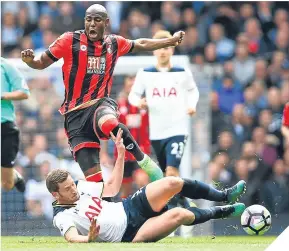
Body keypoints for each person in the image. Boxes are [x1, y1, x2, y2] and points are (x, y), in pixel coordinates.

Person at [21, 4, 186, 184]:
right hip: (75, 117)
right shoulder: (69, 40)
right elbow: (40, 63)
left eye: (97, 20)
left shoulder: (114, 43)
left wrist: (169, 42)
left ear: (106, 23)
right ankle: (106, 206)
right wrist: (30, 61)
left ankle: (145, 162)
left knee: (109, 121)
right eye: (88, 20)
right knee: (95, 184)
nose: (92, 24)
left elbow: (141, 43)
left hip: (100, 104)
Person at [47, 130, 246, 243]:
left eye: (72, 184)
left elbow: (113, 188)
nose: (73, 189)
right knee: (180, 214)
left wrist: (121, 153)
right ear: (56, 194)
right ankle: (222, 211)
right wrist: (88, 239)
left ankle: (224, 195)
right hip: (129, 234)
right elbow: (71, 237)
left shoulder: (80, 187)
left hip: (129, 206)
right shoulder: (62, 216)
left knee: (173, 182)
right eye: (67, 189)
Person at [128, 30, 199, 207]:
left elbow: (193, 91)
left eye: (167, 47)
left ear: (172, 50)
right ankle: (184, 203)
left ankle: (177, 212)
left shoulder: (182, 72)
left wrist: (192, 105)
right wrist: (139, 102)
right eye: (160, 47)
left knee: (171, 171)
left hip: (178, 129)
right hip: (157, 133)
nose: (163, 51)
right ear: (154, 50)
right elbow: (132, 95)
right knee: (167, 178)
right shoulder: (145, 73)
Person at [1, 57, 30, 192]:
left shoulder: (6, 66)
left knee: (7, 184)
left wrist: (2, 96)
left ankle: (15, 176)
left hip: (5, 127)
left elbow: (24, 93)